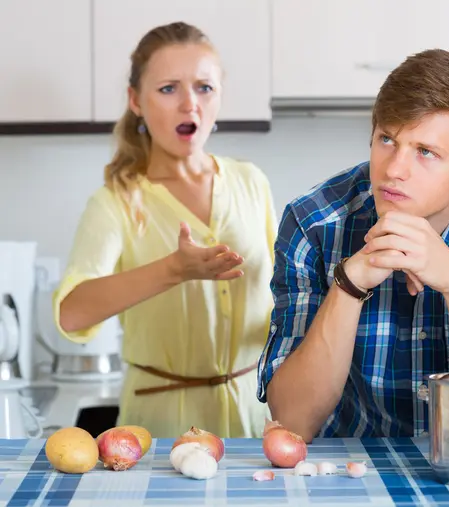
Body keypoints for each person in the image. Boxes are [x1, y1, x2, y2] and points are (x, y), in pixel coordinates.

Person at [256, 49, 449, 443]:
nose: (393, 170)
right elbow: (294, 423)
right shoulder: (313, 222)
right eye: (387, 139)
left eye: (425, 152)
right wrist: (349, 285)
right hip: (353, 470)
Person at [54, 21, 277, 439]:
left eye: (204, 88)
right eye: (169, 88)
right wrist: (174, 270)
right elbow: (71, 313)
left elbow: (284, 296)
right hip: (159, 427)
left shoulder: (252, 183)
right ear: (136, 100)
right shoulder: (116, 202)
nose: (189, 104)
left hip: (252, 418)